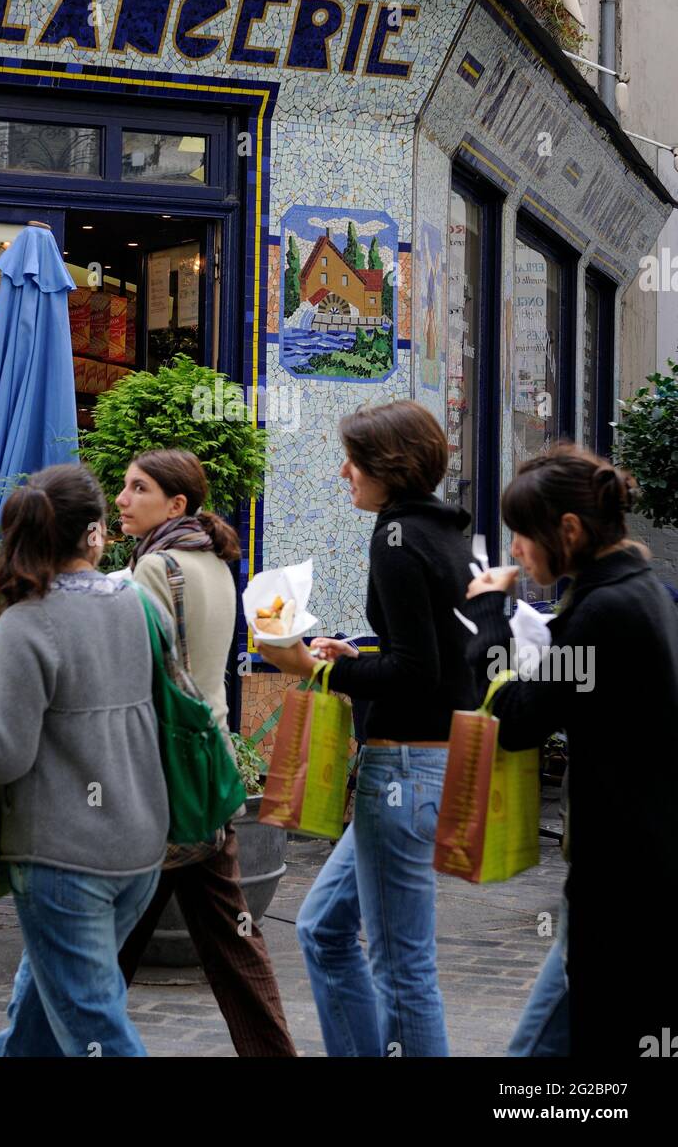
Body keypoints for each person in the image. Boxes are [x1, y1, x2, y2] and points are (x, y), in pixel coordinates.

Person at [0, 463, 170, 1058]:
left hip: (64, 853)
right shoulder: (135, 602)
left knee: (93, 1024)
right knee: (44, 1013)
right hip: (140, 844)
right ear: (94, 533)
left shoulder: (28, 621)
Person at [257, 402, 477, 1057]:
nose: (342, 472)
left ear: (389, 465)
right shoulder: (438, 531)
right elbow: (431, 659)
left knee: (402, 966)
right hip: (425, 761)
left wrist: (312, 670)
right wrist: (358, 659)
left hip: (405, 769)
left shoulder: (396, 540)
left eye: (352, 459)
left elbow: (417, 671)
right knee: (323, 928)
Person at [465, 443, 678, 1057]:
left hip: (626, 879)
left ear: (569, 529)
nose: (514, 551)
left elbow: (515, 721)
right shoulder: (636, 588)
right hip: (635, 865)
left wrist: (486, 614)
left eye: (521, 535)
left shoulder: (606, 608)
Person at [115, 448, 297, 1057]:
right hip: (207, 768)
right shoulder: (216, 563)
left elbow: (141, 677)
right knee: (231, 942)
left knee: (103, 947)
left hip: (161, 781)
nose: (121, 499)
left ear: (176, 504)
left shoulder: (154, 569)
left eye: (137, 489)